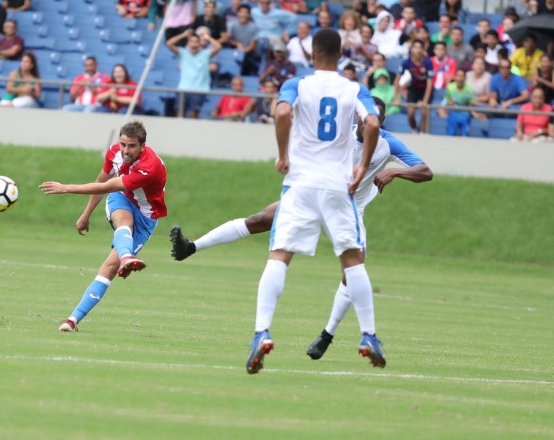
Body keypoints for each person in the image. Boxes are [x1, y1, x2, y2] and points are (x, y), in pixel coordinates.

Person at [169, 97, 432, 364]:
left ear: (382, 122)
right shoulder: (338, 135)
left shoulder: (388, 144)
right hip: (314, 198)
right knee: (260, 219)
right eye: (364, 120)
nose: (368, 125)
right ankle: (190, 247)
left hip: (347, 211)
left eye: (374, 121)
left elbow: (426, 171)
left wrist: (395, 173)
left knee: (352, 273)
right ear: (356, 118)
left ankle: (326, 335)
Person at [240, 29, 383, 375]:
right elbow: (374, 121)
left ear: (313, 53)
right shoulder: (354, 88)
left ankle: (262, 331)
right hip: (337, 185)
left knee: (280, 255)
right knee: (352, 260)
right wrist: (362, 165)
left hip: (301, 183)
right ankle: (368, 335)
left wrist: (282, 154)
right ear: (339, 53)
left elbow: (283, 113)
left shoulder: (297, 84)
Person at [40, 121, 167, 332]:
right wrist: (86, 214)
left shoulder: (148, 167)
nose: (125, 150)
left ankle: (72, 320)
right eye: (123, 144)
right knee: (124, 222)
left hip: (147, 216)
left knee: (109, 267)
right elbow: (102, 181)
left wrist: (66, 188)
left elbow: (107, 185)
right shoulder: (115, 152)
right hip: (122, 199)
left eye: (132, 146)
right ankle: (127, 257)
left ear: (142, 146)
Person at [166, 28, 221, 118]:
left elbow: (218, 46)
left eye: (196, 42)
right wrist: (183, 35)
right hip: (183, 89)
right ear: (188, 44)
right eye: (192, 42)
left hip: (199, 90)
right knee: (179, 115)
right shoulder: (183, 53)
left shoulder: (205, 54)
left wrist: (207, 37)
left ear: (199, 44)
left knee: (193, 115)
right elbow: (169, 43)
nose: (194, 44)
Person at [394, 39, 433, 133]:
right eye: (415, 47)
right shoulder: (406, 63)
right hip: (413, 89)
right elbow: (397, 80)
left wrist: (425, 101)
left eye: (420, 48)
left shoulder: (427, 62)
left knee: (424, 112)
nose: (418, 50)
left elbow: (429, 83)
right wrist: (396, 98)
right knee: (410, 113)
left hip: (425, 90)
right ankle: (414, 130)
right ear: (411, 49)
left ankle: (423, 133)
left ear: (423, 50)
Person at [440, 68, 480, 136]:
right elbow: (445, 100)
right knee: (450, 135)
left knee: (465, 135)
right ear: (455, 77)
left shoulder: (469, 89)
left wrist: (475, 114)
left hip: (465, 115)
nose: (460, 78)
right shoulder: (450, 87)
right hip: (453, 114)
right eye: (458, 76)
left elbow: (470, 105)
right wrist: (442, 110)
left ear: (465, 78)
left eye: (462, 76)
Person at [225, 4, 260, 76]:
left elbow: (252, 45)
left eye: (246, 12)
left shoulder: (254, 27)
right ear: (238, 13)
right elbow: (229, 40)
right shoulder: (232, 25)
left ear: (249, 15)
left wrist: (242, 53)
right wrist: (237, 44)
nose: (243, 15)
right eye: (241, 12)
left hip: (248, 53)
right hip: (234, 51)